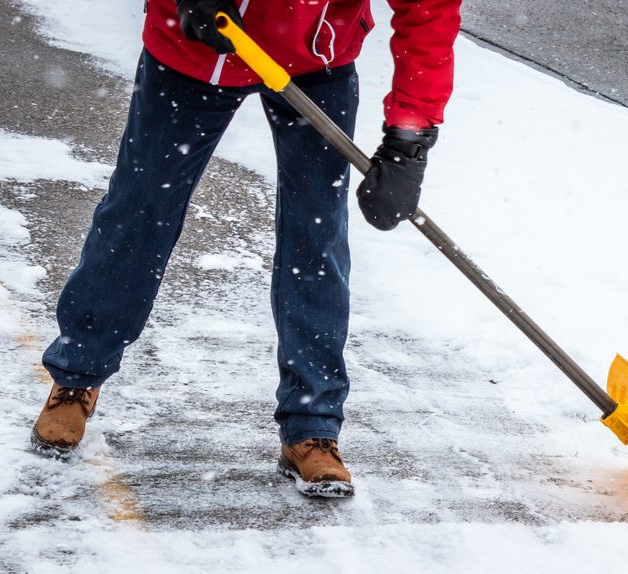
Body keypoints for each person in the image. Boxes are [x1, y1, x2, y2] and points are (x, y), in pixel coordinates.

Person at [29, 0, 461, 498]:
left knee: (315, 235)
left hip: (317, 57)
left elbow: (428, 12)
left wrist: (410, 140)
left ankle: (312, 425)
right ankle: (78, 374)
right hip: (198, 42)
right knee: (140, 212)